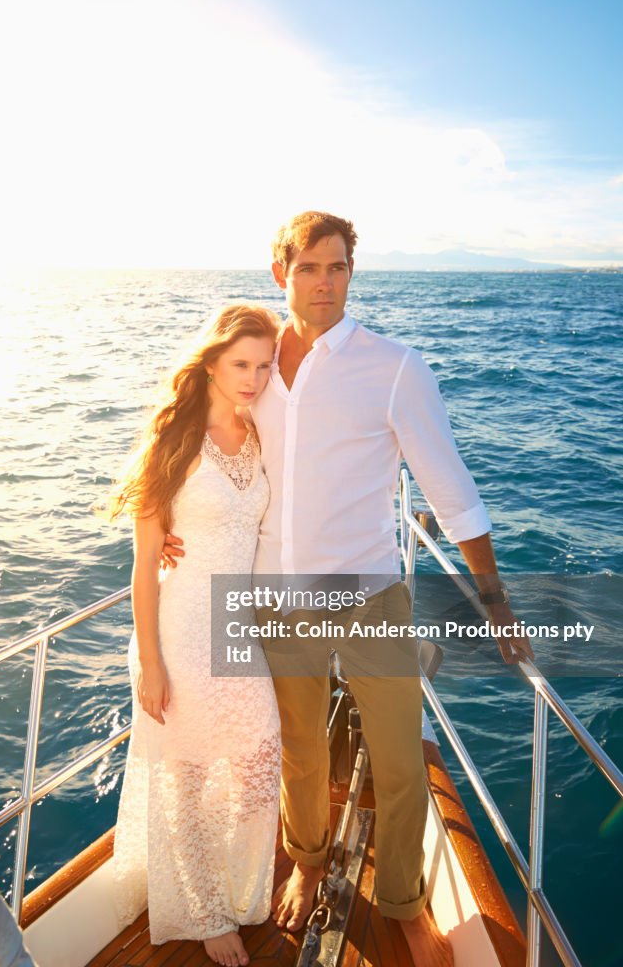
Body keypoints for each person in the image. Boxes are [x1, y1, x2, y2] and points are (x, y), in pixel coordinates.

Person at [164, 212, 534, 967]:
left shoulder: (394, 366)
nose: (323, 283)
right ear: (281, 274)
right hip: (275, 595)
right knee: (299, 748)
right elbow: (192, 429)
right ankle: (304, 866)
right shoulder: (255, 361)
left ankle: (400, 902)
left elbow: (451, 489)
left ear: (351, 274)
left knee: (399, 757)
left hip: (367, 592)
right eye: (308, 268)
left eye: (336, 268)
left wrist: (493, 602)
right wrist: (168, 522)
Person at [108, 304, 283, 967]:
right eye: (240, 364)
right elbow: (144, 567)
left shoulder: (263, 431)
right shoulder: (172, 442)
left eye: (264, 366)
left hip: (236, 626)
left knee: (254, 763)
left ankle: (237, 892)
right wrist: (150, 664)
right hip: (178, 631)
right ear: (210, 362)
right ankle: (206, 914)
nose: (253, 378)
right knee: (183, 774)